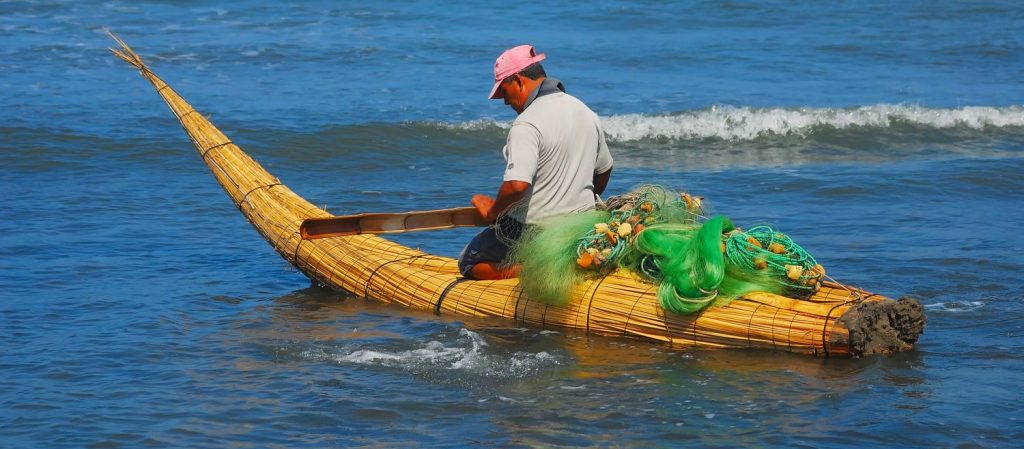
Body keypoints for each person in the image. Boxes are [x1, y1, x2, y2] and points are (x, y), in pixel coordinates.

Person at [458, 44, 614, 280]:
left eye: (504, 92)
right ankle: (567, 261)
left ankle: (535, 269)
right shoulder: (585, 112)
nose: (505, 102)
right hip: (582, 228)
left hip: (537, 232)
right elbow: (604, 169)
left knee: (468, 260)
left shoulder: (527, 124)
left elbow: (516, 186)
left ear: (518, 81)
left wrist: (492, 211)